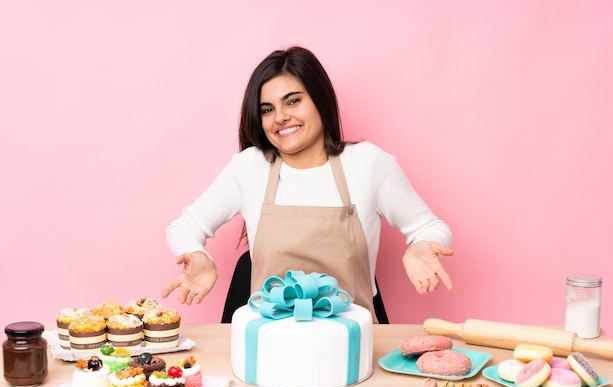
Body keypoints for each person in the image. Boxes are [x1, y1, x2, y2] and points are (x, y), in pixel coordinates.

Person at [162, 46, 453, 323]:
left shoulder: (368, 163)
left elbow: (432, 227)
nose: (280, 117)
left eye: (293, 101)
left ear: (319, 99)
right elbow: (184, 227)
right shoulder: (250, 167)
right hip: (269, 343)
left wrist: (424, 244)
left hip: (352, 344)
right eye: (266, 109)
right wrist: (196, 254)